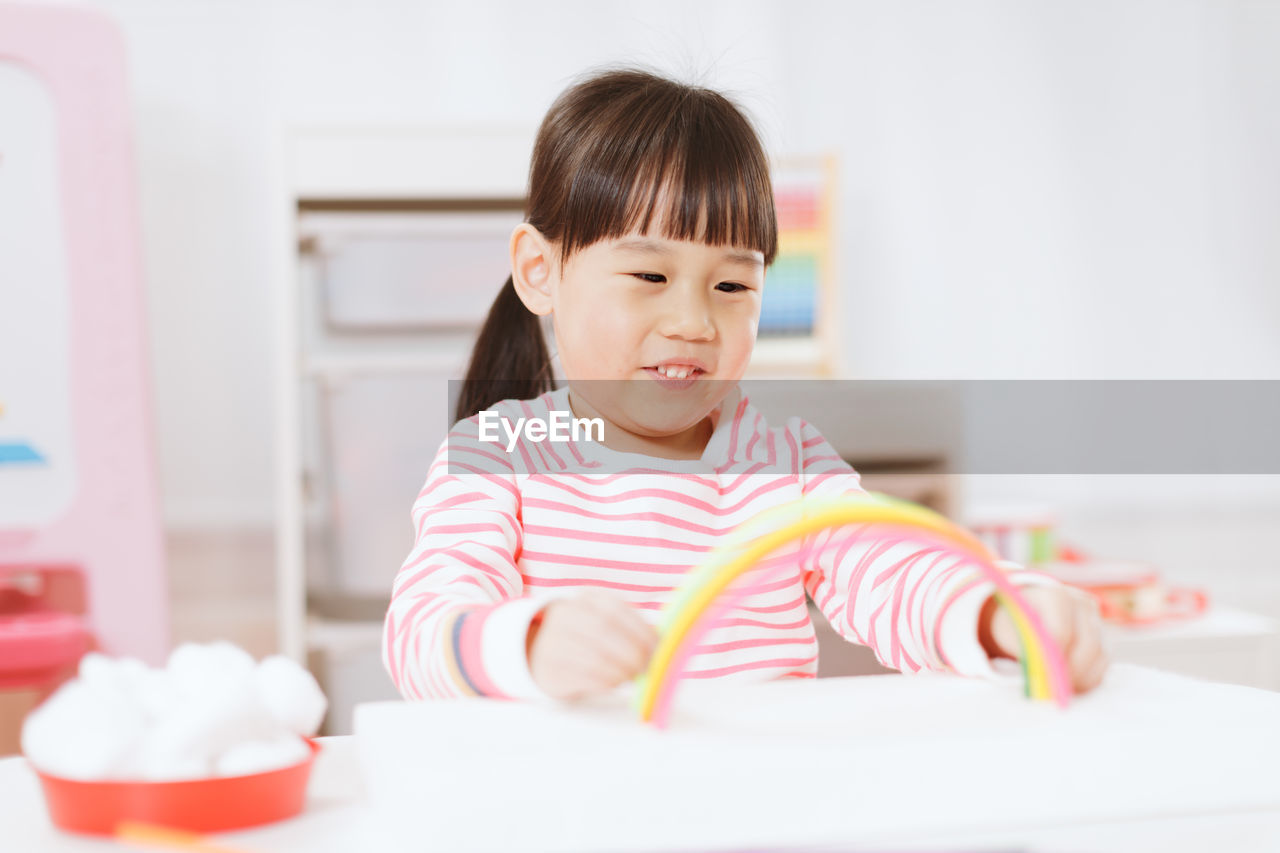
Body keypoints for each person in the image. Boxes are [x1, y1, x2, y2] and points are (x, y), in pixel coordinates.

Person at [382, 67, 1108, 703]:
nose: (695, 321)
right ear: (542, 271)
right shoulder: (498, 456)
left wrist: (996, 611)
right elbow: (423, 630)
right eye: (650, 276)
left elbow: (894, 566)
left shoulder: (787, 468)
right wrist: (528, 644)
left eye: (732, 283)